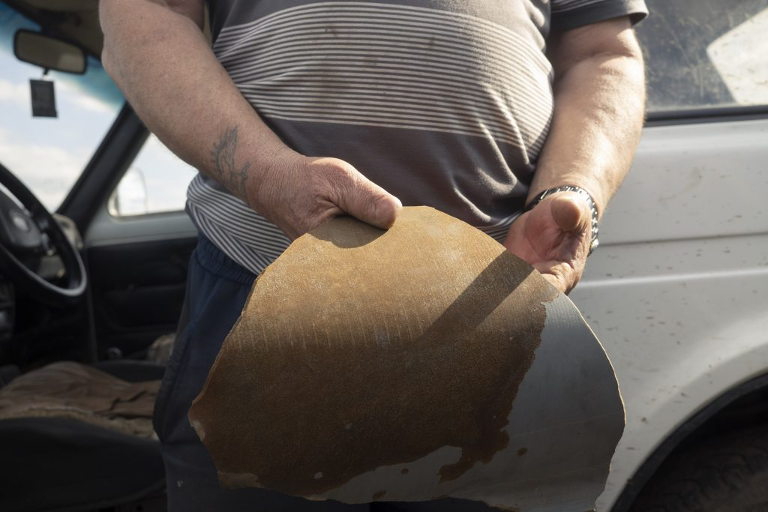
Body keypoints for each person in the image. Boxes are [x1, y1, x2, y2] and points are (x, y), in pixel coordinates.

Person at [99, 0, 648, 510]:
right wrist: (267, 174)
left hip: (502, 309)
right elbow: (148, 12)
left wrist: (576, 191)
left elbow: (602, 51)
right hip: (262, 289)